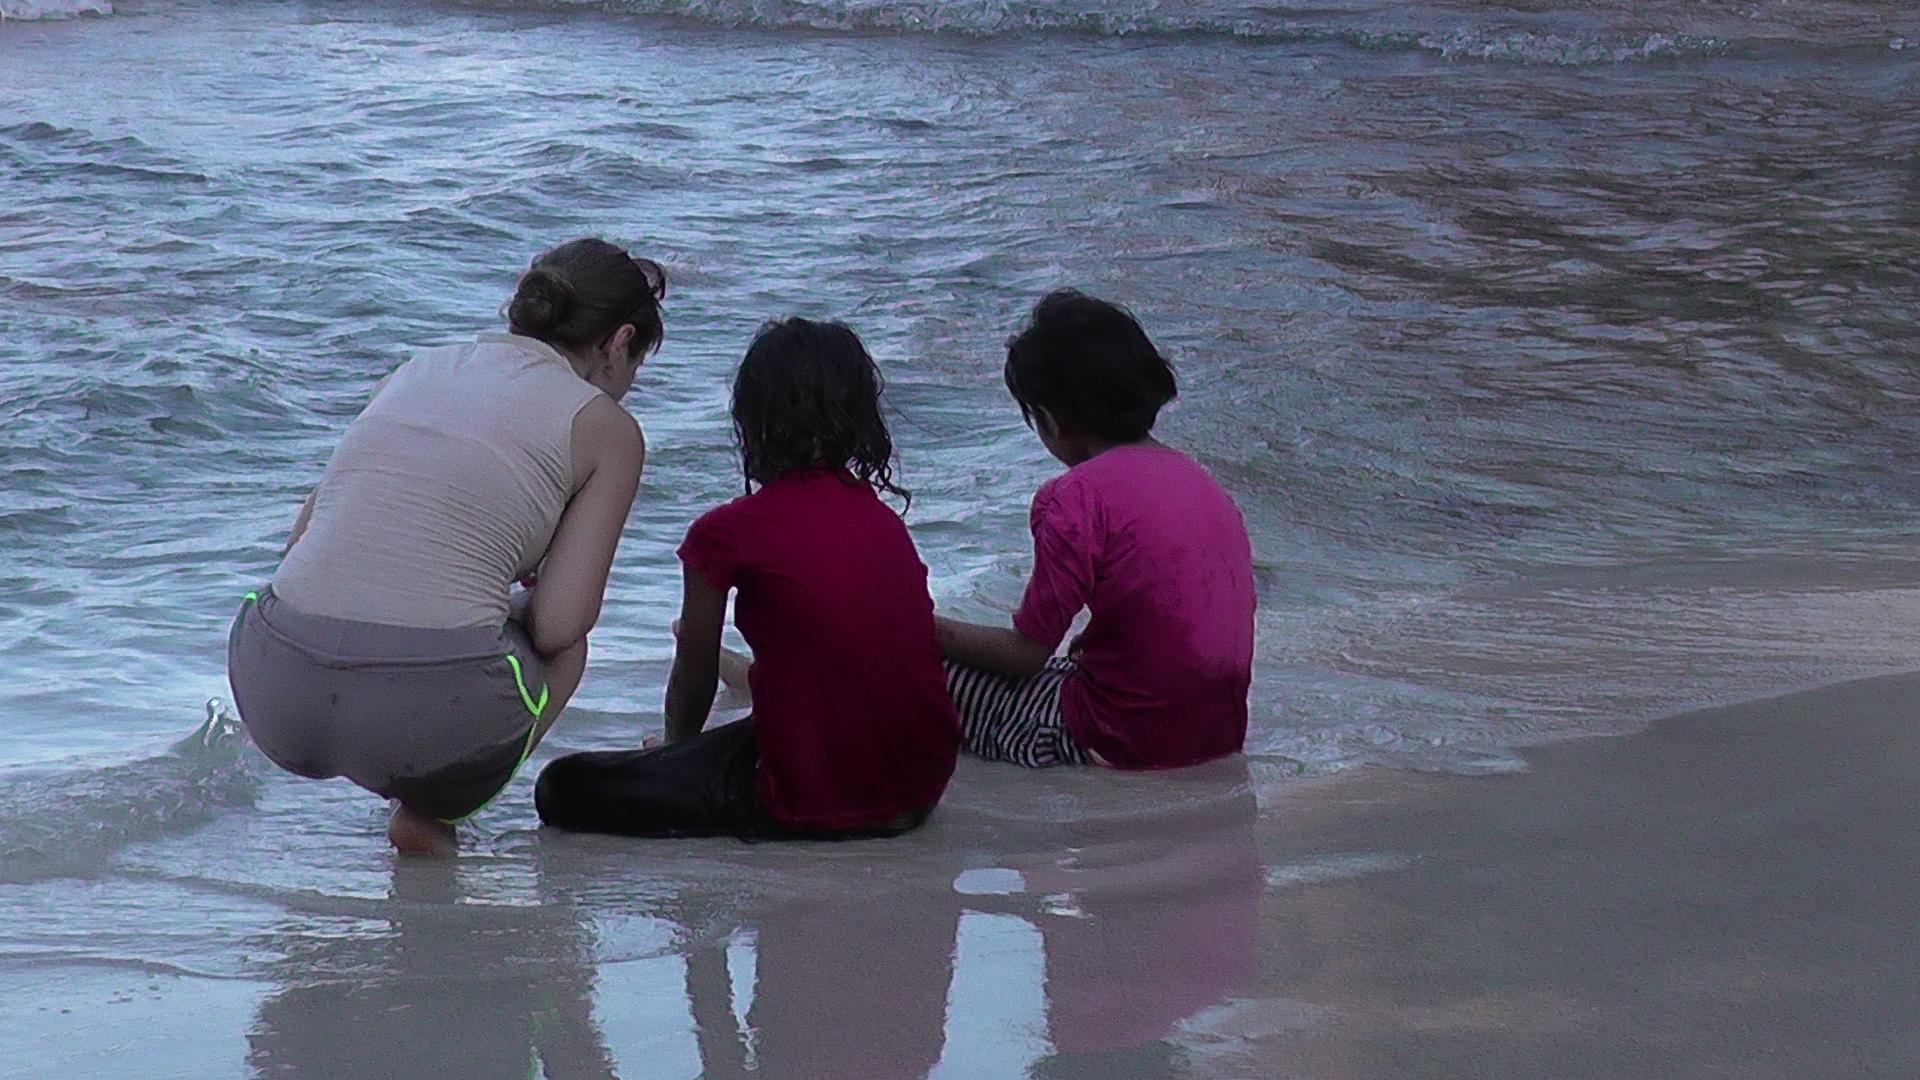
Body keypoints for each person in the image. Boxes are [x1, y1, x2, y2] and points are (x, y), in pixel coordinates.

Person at [227, 238, 664, 856]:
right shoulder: (607, 428)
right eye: (638, 361)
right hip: (419, 710)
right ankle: (433, 812)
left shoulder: (416, 369)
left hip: (273, 684)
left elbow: (300, 542)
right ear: (619, 343)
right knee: (566, 649)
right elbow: (560, 624)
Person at [535, 318, 959, 839]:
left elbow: (694, 672)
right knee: (767, 730)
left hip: (808, 802)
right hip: (920, 786)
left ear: (752, 420)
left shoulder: (727, 533)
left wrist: (674, 756)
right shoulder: (883, 522)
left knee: (562, 784)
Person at [936, 290, 1255, 769]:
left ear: (1050, 420)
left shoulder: (1074, 497)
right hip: (1218, 734)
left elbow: (1027, 655)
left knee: (920, 671)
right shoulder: (1202, 482)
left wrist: (919, 628)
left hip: (1118, 738)